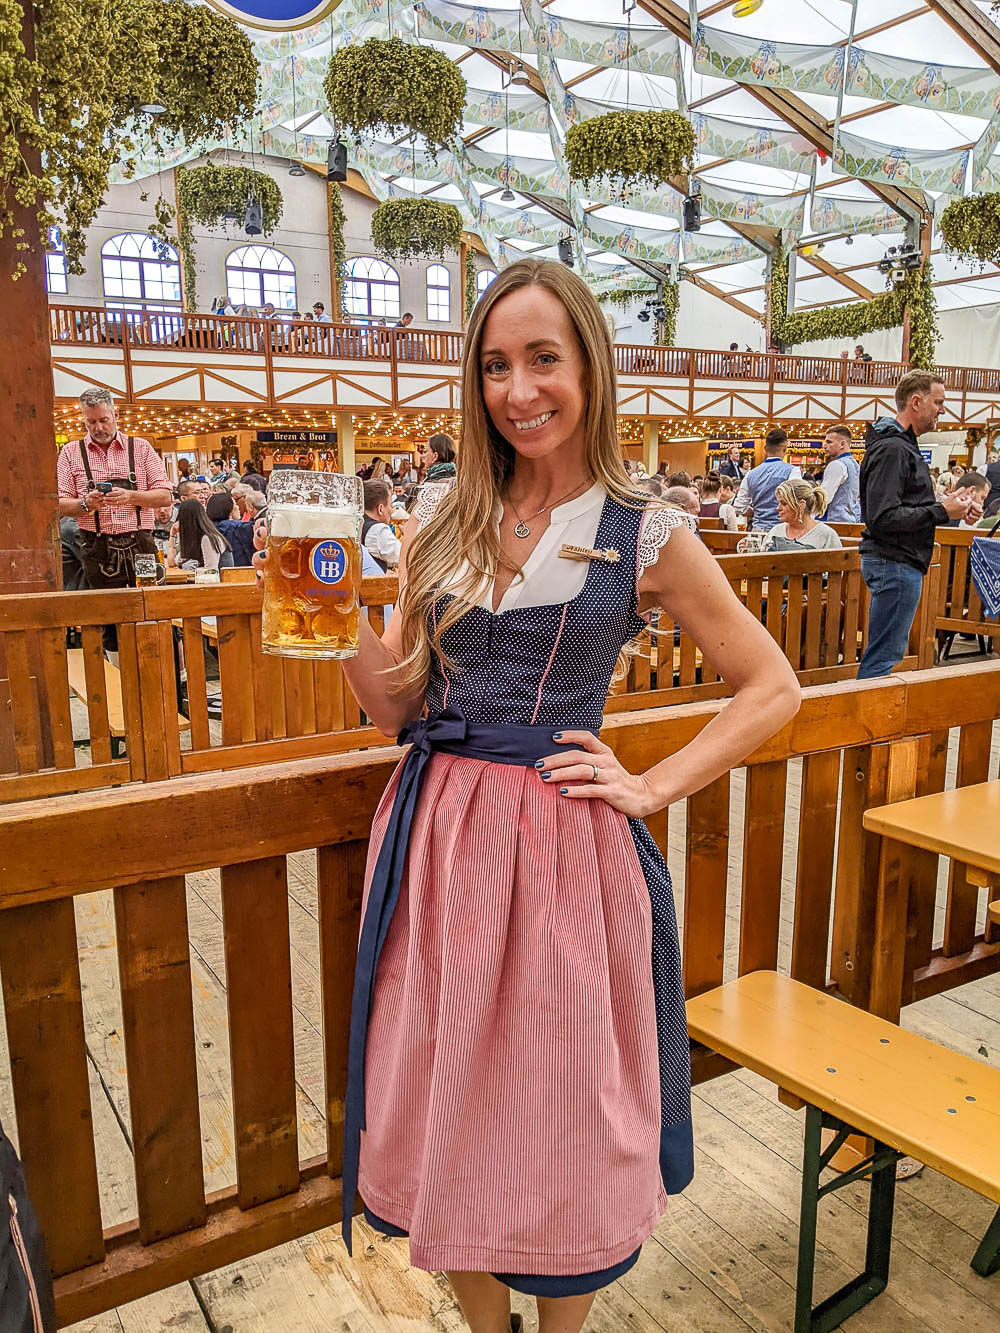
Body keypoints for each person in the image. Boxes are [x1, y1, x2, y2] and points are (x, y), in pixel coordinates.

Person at [253, 258, 800, 1333]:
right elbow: (398, 709)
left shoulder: (646, 531)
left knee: (555, 1104)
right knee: (445, 1087)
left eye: (542, 359)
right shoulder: (438, 519)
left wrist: (647, 784)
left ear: (587, 368)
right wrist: (332, 623)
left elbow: (770, 685)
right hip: (439, 842)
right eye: (496, 364)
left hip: (559, 849)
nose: (519, 388)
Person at [858, 371, 978, 679]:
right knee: (883, 658)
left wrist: (951, 506)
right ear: (916, 402)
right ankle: (867, 723)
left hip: (897, 562)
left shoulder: (896, 445)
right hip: (894, 562)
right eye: (938, 402)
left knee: (885, 653)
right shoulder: (894, 448)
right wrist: (941, 511)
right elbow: (883, 517)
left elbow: (898, 508)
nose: (942, 410)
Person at [56, 388, 172, 592]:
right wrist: (86, 504)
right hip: (97, 549)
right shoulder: (70, 452)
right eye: (91, 422)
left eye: (104, 420)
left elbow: (165, 496)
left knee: (152, 610)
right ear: (84, 419)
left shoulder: (141, 448)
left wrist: (131, 496)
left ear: (115, 415)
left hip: (141, 547)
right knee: (106, 616)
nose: (98, 428)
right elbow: (59, 505)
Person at [733, 427, 801, 532]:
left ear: (765, 448)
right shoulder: (793, 471)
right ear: (785, 449)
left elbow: (739, 506)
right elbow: (797, 501)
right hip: (783, 531)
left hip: (758, 530)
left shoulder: (751, 474)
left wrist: (756, 512)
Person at [768, 480, 842, 550]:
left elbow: (839, 562)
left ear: (801, 505)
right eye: (778, 503)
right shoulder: (776, 531)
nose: (778, 508)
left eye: (784, 503)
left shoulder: (826, 535)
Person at [167, 498, 233, 572]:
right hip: (204, 581)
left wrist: (188, 576)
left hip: (221, 582)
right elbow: (172, 563)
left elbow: (211, 571)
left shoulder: (208, 538)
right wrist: (172, 535)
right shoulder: (193, 539)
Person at [821, 424, 861, 524]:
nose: (824, 446)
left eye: (829, 442)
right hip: (852, 520)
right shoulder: (855, 465)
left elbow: (824, 498)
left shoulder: (836, 465)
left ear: (842, 444)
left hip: (833, 522)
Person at [361, 478, 402, 571]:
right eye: (390, 505)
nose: (392, 510)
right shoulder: (377, 530)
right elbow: (404, 557)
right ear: (380, 509)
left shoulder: (356, 522)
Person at [206, 490, 255, 565]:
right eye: (235, 504)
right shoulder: (240, 528)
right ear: (229, 509)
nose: (238, 507)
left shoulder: (207, 528)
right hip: (242, 572)